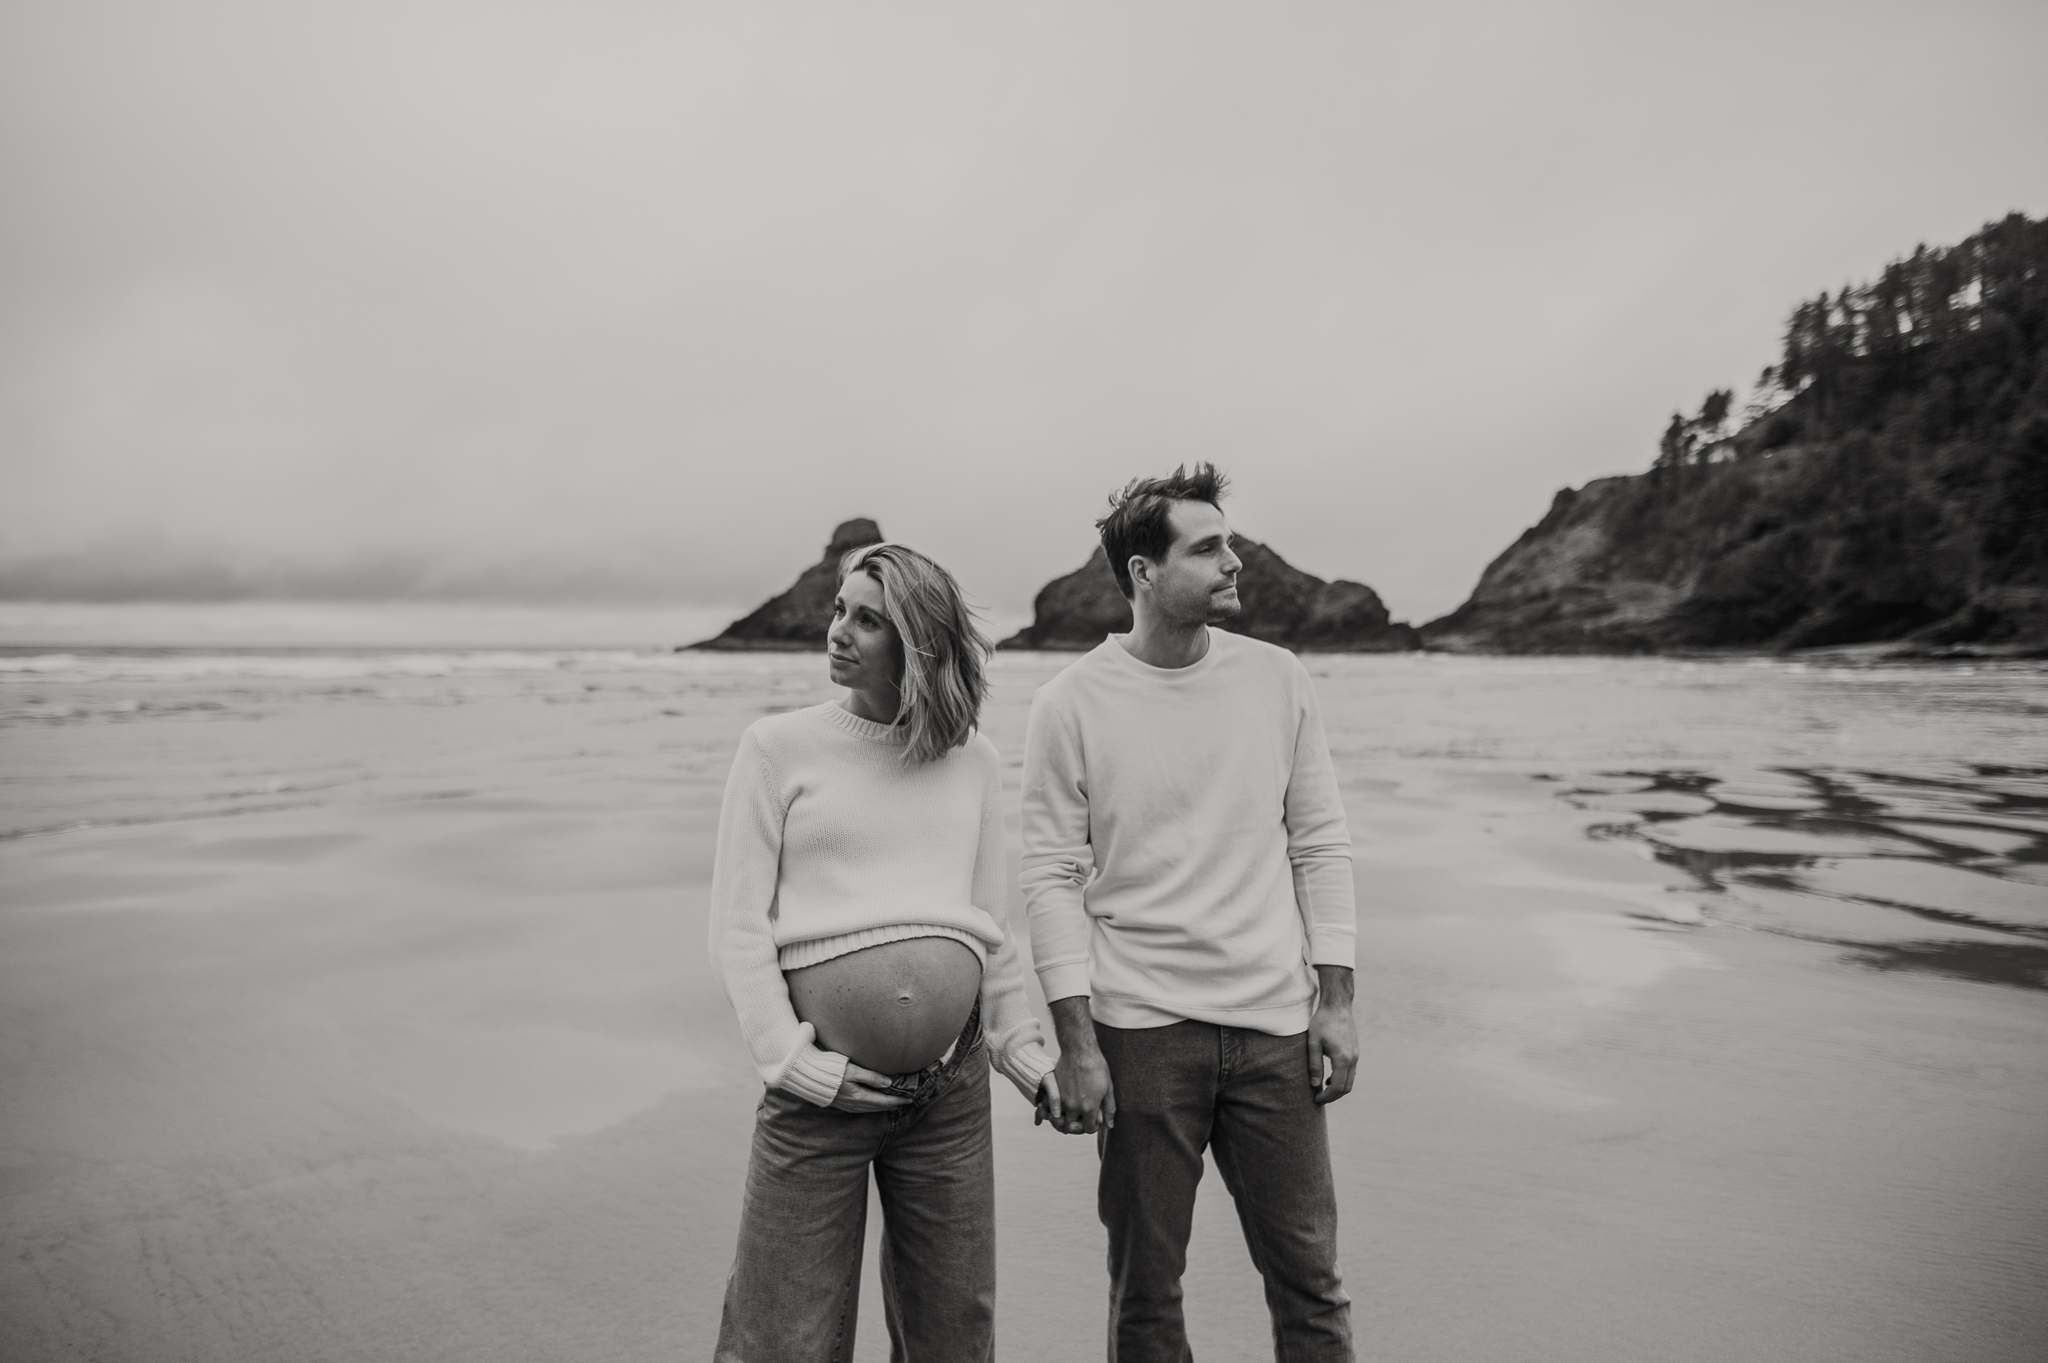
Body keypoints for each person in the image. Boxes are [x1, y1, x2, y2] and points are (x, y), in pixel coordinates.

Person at [1020, 464, 1359, 1362]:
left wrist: (1337, 999)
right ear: (1143, 571)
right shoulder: (1069, 704)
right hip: (1141, 1032)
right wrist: (1078, 1045)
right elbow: (1049, 877)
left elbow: (1320, 841)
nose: (1233, 561)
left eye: (1228, 542)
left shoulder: (1278, 679)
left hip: (1275, 1030)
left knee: (1312, 1285)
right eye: (1207, 549)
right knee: (1146, 1293)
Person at [709, 542, 1057, 1363]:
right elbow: (738, 926)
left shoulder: (971, 760)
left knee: (955, 1336)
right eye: (840, 609)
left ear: (917, 643)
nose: (839, 631)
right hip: (819, 1101)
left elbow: (989, 926)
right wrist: (795, 1064)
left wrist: (1026, 1053)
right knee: (781, 1343)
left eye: (868, 620)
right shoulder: (776, 748)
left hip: (949, 1097)